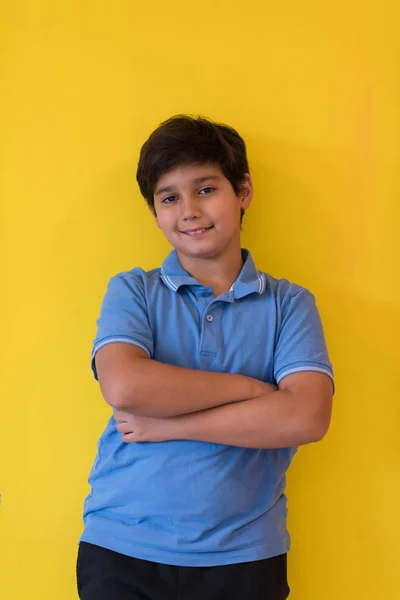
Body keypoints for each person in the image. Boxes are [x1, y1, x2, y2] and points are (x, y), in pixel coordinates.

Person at [76, 114, 334, 600]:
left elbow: (307, 415)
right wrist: (252, 390)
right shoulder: (133, 290)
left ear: (243, 192)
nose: (189, 210)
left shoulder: (289, 304)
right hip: (122, 547)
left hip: (245, 554)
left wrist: (169, 425)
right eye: (169, 197)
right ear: (155, 214)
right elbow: (127, 387)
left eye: (206, 188)